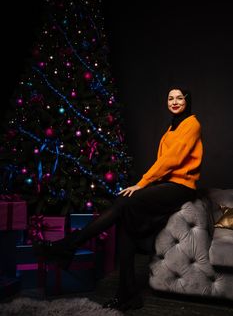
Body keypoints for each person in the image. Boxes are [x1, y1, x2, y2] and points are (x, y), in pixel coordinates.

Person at [33, 87, 203, 311]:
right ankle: (127, 294)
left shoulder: (192, 123)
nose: (174, 102)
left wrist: (142, 184)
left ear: (187, 101)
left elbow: (171, 160)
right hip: (166, 186)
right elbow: (165, 162)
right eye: (170, 98)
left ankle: (69, 245)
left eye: (179, 98)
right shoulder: (172, 127)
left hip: (181, 187)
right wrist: (146, 185)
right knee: (124, 221)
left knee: (124, 201)